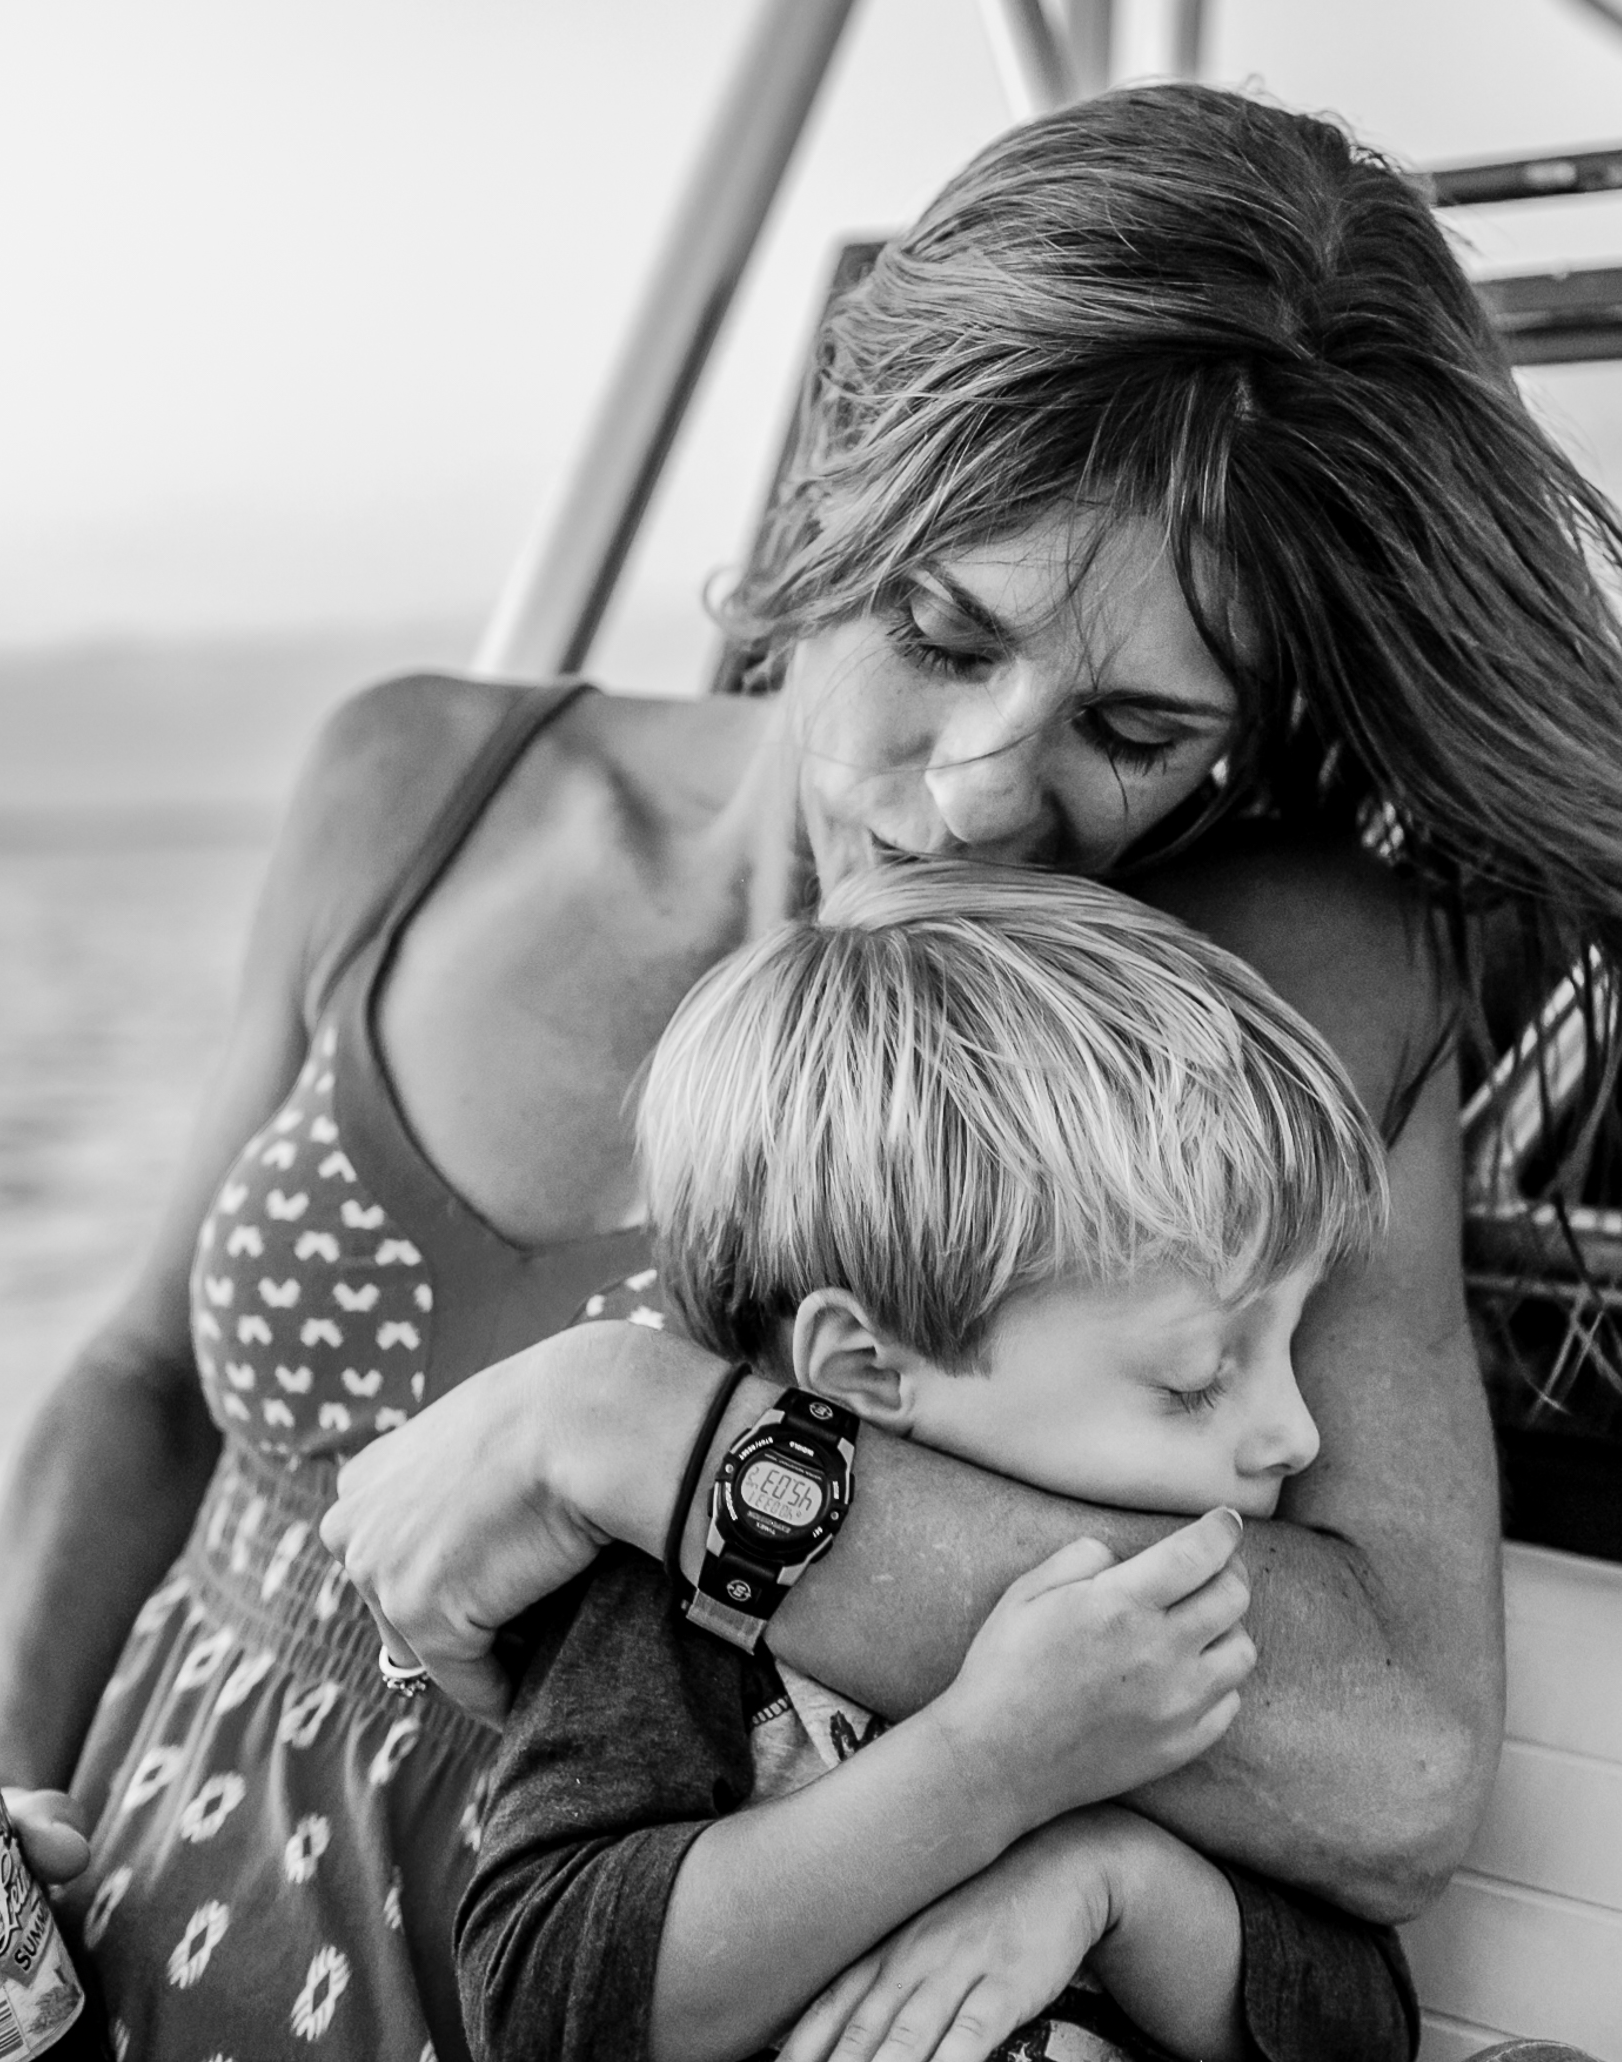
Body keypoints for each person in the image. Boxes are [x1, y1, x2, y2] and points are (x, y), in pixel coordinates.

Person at [0, 82, 1622, 2062]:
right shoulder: (420, 783)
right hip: (142, 1964)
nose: (975, 789)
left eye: (1132, 729)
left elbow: (1389, 1756)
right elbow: (140, 1383)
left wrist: (662, 1444)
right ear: (846, 471)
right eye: (940, 633)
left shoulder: (1253, 979)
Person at [461, 858, 1417, 2062]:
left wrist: (1105, 1880)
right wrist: (993, 1763)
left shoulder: (1169, 1623)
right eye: (1192, 1378)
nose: (1296, 1434)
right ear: (862, 1371)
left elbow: (1361, 2027)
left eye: (1296, 1346)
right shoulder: (683, 1595)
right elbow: (543, 1999)